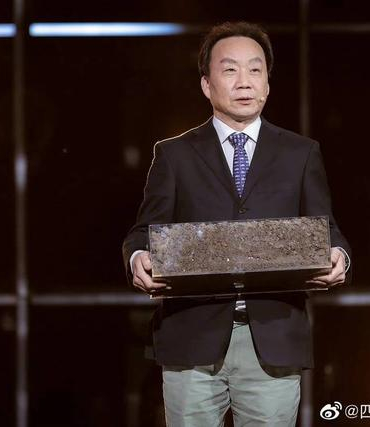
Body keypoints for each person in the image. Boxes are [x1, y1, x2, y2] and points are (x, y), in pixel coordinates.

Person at [122, 21, 351, 426]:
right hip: (192, 336)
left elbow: (326, 228)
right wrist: (137, 256)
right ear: (206, 85)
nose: (244, 81)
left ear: (267, 84)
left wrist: (339, 255)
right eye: (230, 70)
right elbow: (144, 232)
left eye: (255, 70)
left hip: (273, 336)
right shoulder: (174, 155)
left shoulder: (300, 153)